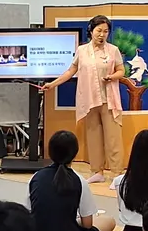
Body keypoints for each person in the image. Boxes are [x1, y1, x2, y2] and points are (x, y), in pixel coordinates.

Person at [43, 15, 125, 183]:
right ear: (91, 31)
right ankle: (97, 171)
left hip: (109, 100)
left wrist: (112, 76)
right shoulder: (82, 51)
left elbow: (121, 71)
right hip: (90, 99)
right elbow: (70, 71)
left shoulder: (113, 50)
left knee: (113, 138)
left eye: (106, 31)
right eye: (99, 31)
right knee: (93, 136)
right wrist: (52, 84)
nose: (102, 35)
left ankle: (117, 175)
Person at [28, 130, 116, 231]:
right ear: (74, 154)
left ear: (50, 151)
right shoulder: (79, 180)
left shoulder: (36, 177)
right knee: (109, 221)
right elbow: (88, 225)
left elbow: (27, 214)